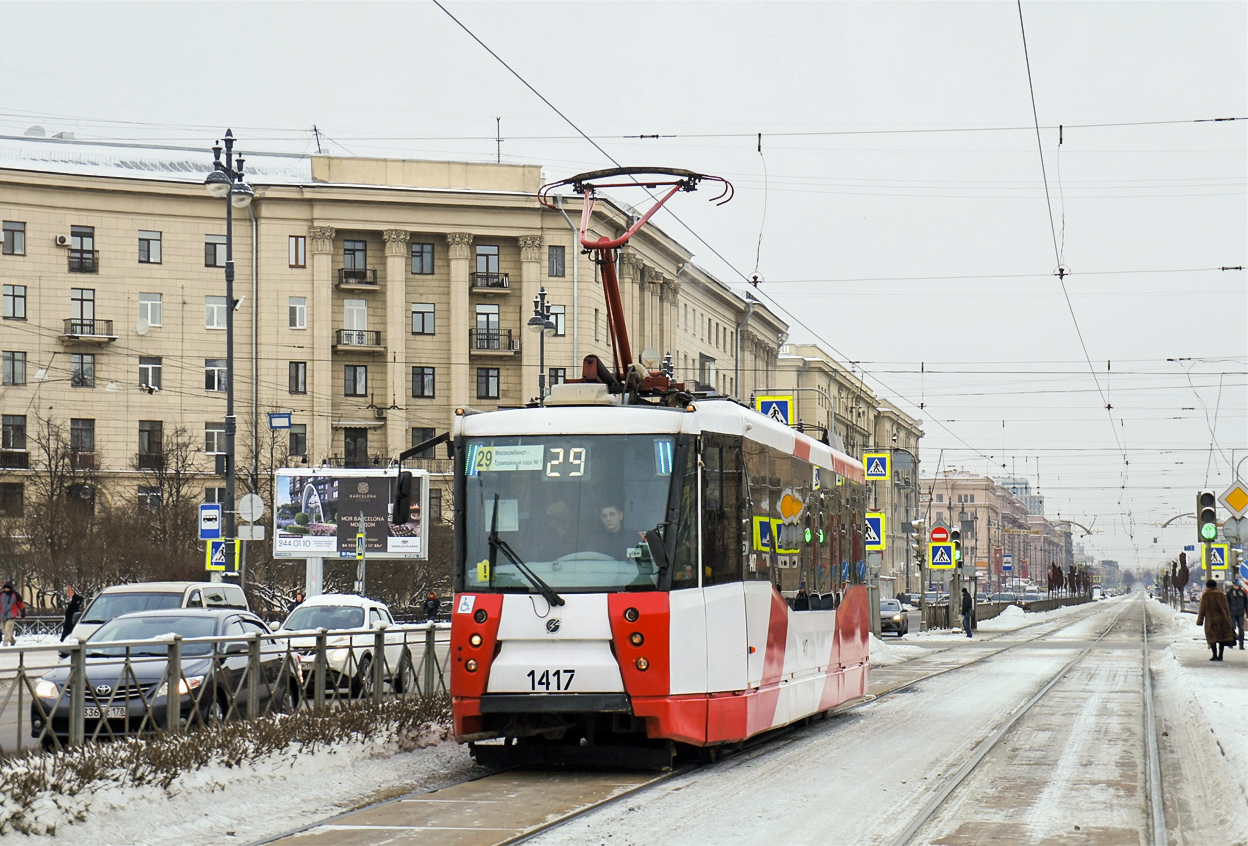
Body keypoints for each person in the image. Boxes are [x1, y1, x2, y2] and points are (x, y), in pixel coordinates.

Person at [1196, 579, 1235, 661]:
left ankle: (1214, 655)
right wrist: (1228, 619)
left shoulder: (1206, 595)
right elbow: (1226, 608)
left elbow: (1202, 609)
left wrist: (1200, 620)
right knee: (1222, 637)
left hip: (1211, 620)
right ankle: (1220, 655)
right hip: (1222, 619)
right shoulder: (1221, 594)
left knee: (1212, 637)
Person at [1224, 578, 1246, 651]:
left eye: (1237, 585)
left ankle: (1241, 644)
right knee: (1232, 628)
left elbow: (1246, 603)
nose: (1236, 587)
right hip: (1232, 613)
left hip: (1240, 613)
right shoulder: (1229, 592)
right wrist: (1227, 612)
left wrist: (1247, 611)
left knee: (1241, 629)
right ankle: (1231, 643)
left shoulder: (1242, 593)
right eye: (1235, 585)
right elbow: (1226, 603)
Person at [1, 582, 25, 647]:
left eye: (7, 588)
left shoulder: (15, 595)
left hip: (11, 615)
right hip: (2, 615)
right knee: (4, 630)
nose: (6, 589)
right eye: (5, 588)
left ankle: (5, 643)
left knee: (7, 629)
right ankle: (12, 641)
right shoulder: (1, 594)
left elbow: (21, 604)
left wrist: (23, 614)